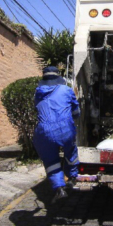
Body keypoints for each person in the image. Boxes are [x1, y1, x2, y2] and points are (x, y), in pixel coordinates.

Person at [33, 66, 81, 204]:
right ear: (58, 77)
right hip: (65, 128)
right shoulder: (66, 90)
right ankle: (72, 177)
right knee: (70, 150)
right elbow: (76, 111)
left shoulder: (37, 92)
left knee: (50, 160)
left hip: (44, 131)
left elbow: (38, 108)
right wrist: (75, 116)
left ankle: (59, 188)